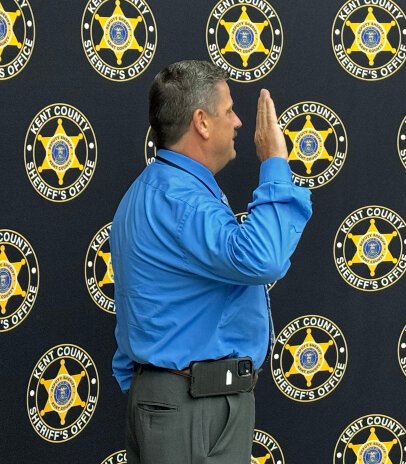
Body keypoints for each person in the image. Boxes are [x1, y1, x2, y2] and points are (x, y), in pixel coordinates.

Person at [111, 60, 312, 464]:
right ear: (201, 122)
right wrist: (274, 162)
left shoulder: (154, 191)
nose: (238, 122)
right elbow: (263, 258)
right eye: (229, 111)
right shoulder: (180, 201)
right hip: (190, 405)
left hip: (185, 399)